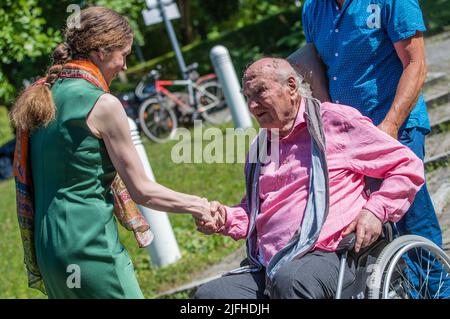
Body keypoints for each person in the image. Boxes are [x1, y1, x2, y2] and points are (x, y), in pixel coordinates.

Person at [10, 6, 220, 299]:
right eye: (124, 54)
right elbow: (143, 190)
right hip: (88, 246)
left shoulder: (43, 97)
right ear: (101, 51)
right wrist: (198, 204)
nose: (124, 65)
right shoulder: (103, 105)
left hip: (49, 249)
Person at [193, 58, 425, 299]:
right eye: (247, 97)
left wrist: (376, 210)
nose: (252, 105)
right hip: (272, 264)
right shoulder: (261, 147)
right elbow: (254, 210)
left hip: (335, 253)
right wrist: (225, 218)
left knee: (291, 281)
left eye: (259, 92)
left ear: (291, 86)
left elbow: (406, 165)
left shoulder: (334, 122)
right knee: (210, 295)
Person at [301, 0, 445, 296]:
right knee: (374, 221)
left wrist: (390, 124)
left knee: (411, 213)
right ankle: (410, 287)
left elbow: (416, 66)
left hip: (397, 124)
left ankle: (440, 288)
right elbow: (317, 68)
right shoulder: (313, 9)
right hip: (351, 140)